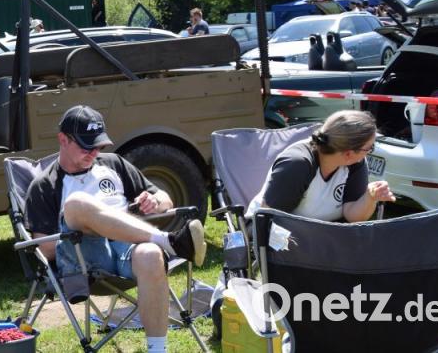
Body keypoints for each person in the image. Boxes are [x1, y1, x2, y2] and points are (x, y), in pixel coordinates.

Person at [24, 105, 206, 353]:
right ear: (62, 139)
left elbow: (165, 199)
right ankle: (170, 242)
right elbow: (45, 250)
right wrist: (93, 223)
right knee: (76, 203)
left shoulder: (113, 165)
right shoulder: (45, 185)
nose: (94, 152)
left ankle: (158, 350)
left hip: (125, 250)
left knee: (151, 255)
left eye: (98, 146)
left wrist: (154, 201)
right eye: (86, 146)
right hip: (84, 259)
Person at [247, 110, 395, 222]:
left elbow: (352, 216)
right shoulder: (297, 165)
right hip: (283, 234)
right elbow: (269, 219)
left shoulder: (355, 163)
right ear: (349, 153)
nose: (369, 153)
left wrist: (369, 198)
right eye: (369, 148)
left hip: (324, 236)